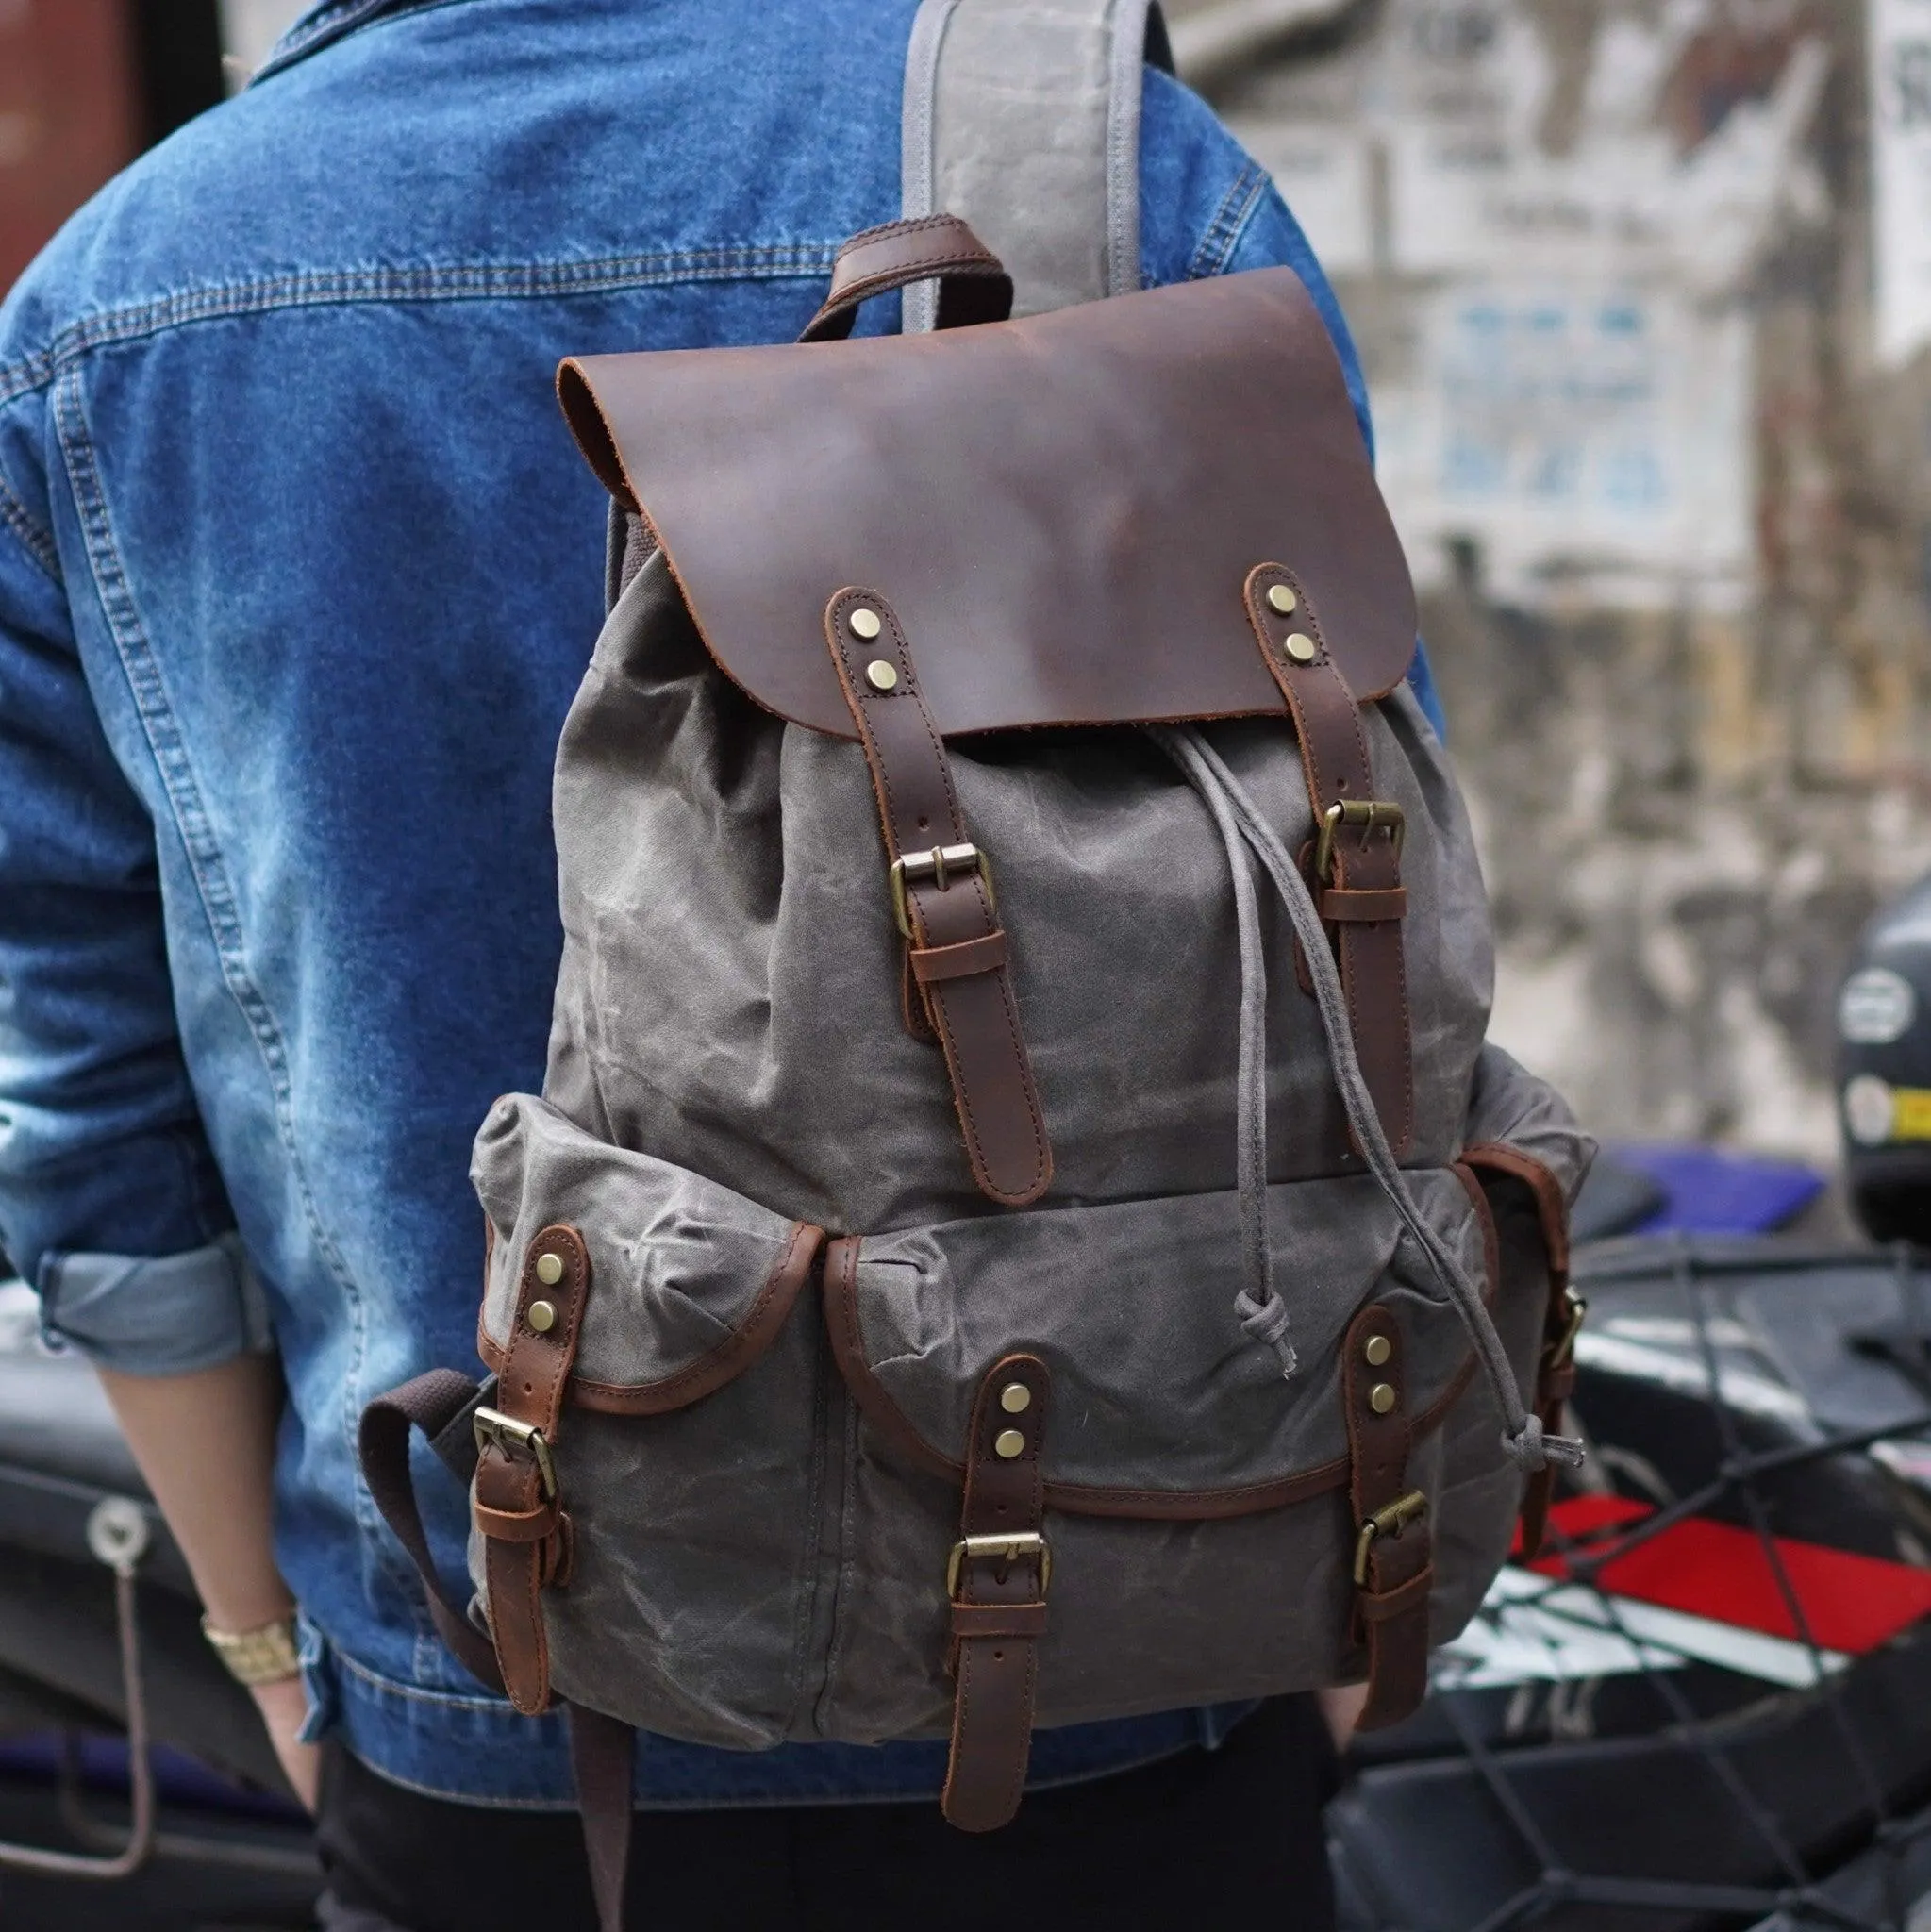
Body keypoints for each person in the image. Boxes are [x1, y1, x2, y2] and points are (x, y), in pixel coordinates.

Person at [0, 3, 1439, 1925]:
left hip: (489, 1680)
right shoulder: (1109, 162)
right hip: (1131, 1596)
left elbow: (89, 1114)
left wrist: (272, 1653)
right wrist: (1336, 1590)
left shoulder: (114, 302)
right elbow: (1369, 917)